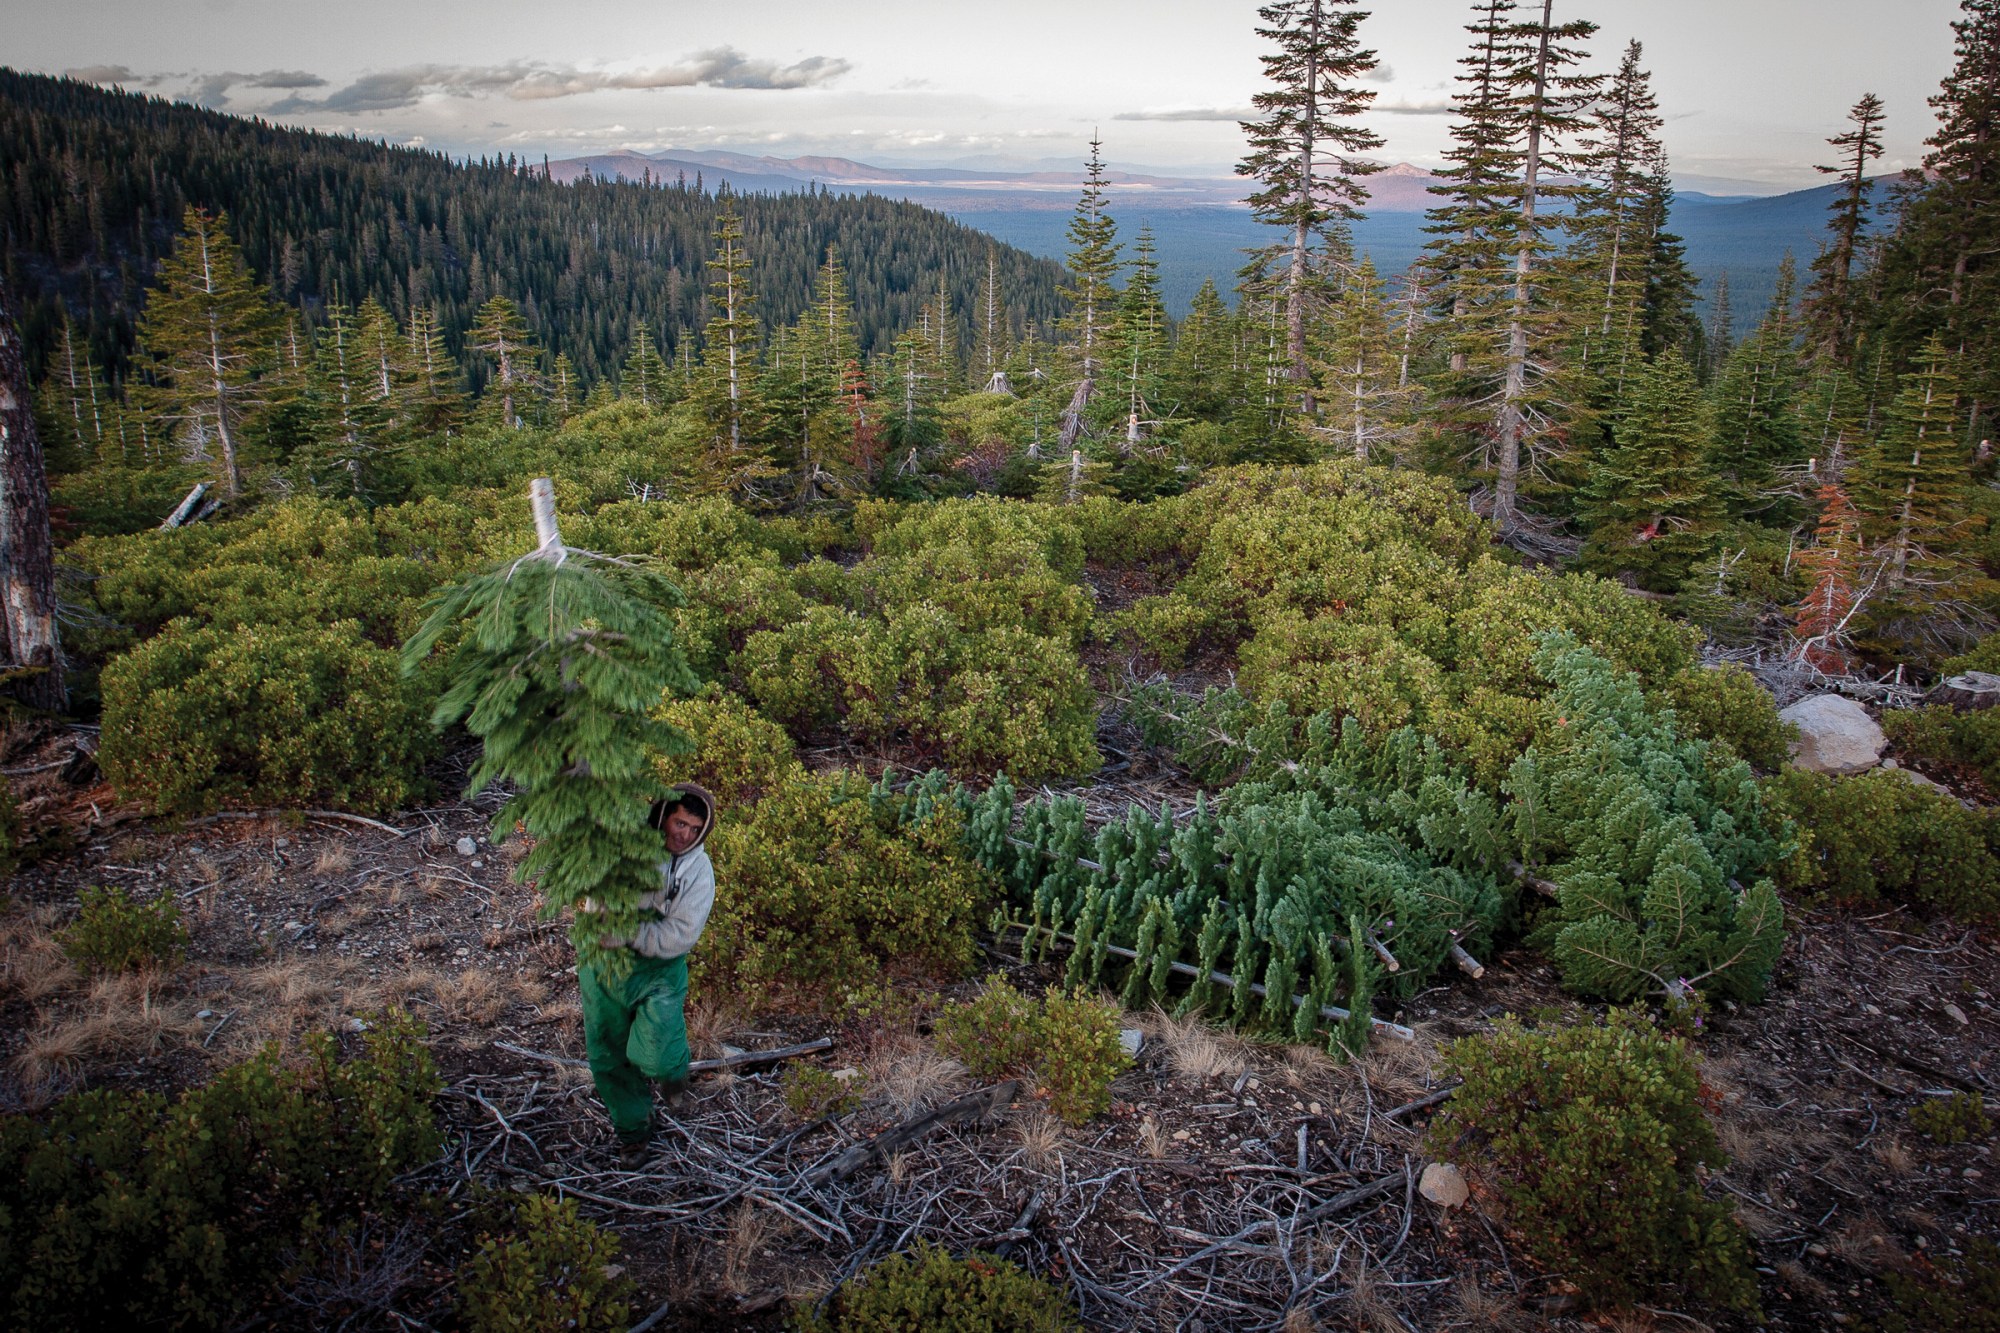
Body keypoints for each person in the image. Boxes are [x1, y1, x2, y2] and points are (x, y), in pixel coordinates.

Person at [579, 783, 717, 1169]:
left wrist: (630, 934)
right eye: (679, 822)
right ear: (663, 815)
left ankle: (673, 1075)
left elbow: (680, 935)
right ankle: (634, 1132)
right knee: (607, 1054)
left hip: (658, 969)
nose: (684, 835)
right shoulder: (626, 843)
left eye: (694, 828)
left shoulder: (699, 872)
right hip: (602, 961)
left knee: (658, 1056)